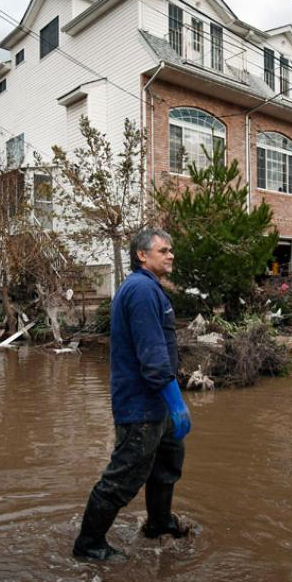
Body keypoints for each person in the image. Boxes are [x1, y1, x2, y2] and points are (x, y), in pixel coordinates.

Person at [72, 228, 192, 561]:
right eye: (164, 250)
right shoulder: (140, 290)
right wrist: (177, 403)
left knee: (167, 464)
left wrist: (170, 405)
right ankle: (89, 544)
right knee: (123, 477)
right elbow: (153, 356)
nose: (171, 255)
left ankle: (158, 524)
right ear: (142, 255)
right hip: (141, 405)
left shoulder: (150, 289)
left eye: (171, 250)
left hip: (158, 404)